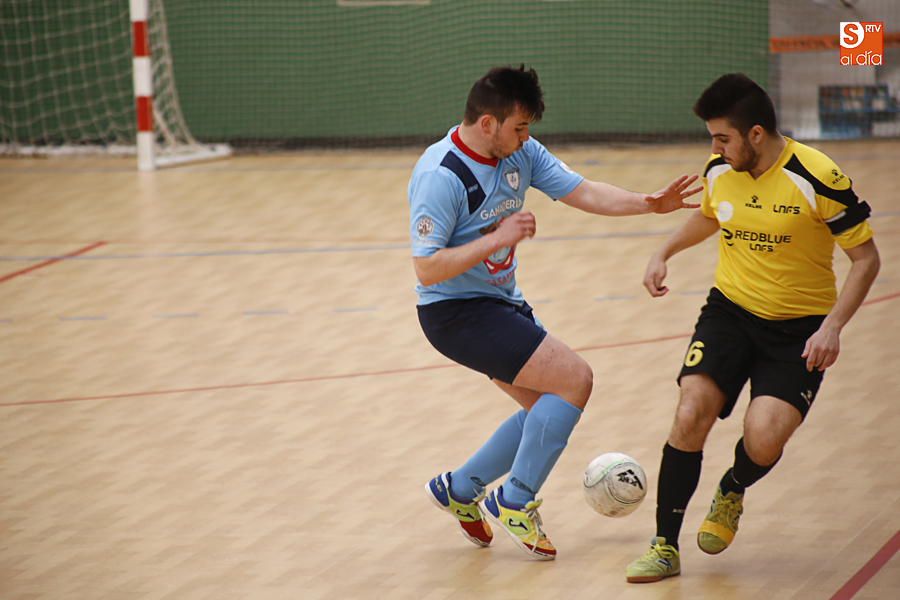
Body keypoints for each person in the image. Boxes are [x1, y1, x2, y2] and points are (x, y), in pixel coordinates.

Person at [409, 64, 702, 560]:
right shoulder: (441, 176)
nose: (526, 138)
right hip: (455, 313)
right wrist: (498, 240)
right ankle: (515, 500)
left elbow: (582, 190)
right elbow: (427, 269)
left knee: (544, 406)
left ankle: (460, 488)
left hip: (500, 303)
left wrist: (649, 204)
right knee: (575, 380)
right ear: (487, 124)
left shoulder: (520, 152)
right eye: (519, 127)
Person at [625, 73, 880, 582]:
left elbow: (866, 259)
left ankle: (732, 487)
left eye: (722, 137)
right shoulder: (721, 169)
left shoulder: (818, 176)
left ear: (755, 134)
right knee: (690, 412)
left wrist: (832, 327)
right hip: (730, 314)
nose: (714, 147)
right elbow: (710, 215)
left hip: (799, 329)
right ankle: (664, 546)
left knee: (763, 439)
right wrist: (663, 251)